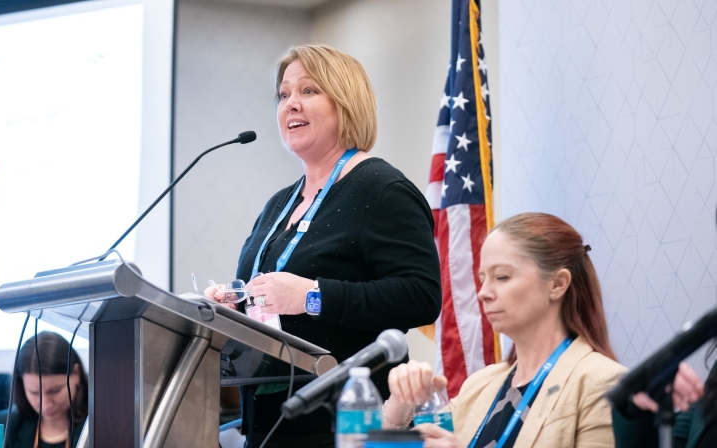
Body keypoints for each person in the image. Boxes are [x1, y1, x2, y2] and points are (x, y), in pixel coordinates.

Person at [205, 44, 441, 447]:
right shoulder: (279, 204)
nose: (291, 104)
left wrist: (313, 296)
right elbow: (273, 303)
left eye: (308, 91)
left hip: (352, 424)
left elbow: (420, 296)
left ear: (346, 103)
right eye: (283, 95)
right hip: (270, 425)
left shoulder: (383, 190)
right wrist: (235, 304)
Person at [384, 212, 626, 447]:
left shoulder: (603, 383)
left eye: (501, 277)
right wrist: (401, 405)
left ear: (558, 283)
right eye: (482, 280)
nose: (483, 293)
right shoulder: (478, 386)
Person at [0, 332, 88, 448]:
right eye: (34, 392)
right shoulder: (5, 423)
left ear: (76, 374)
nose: (46, 404)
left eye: (55, 390)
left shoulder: (99, 423)